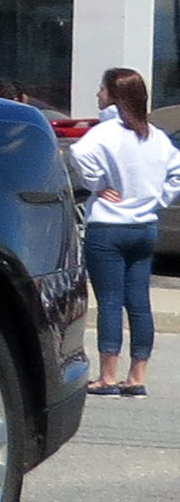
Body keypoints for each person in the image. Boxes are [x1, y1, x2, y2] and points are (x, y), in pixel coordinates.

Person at [70, 66, 180, 396]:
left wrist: (98, 184)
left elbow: (78, 153)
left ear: (114, 97)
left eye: (102, 90)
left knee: (110, 301)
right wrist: (157, 198)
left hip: (108, 227)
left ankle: (108, 376)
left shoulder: (105, 133)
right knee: (139, 303)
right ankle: (138, 376)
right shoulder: (155, 136)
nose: (97, 95)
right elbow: (177, 173)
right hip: (144, 226)